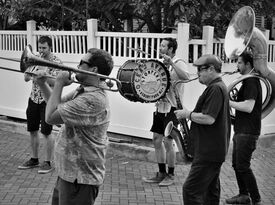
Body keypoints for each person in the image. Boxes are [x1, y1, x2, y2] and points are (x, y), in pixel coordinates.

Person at [34, 48, 113, 205]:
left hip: (80, 178)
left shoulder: (93, 99)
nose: (76, 66)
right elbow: (57, 106)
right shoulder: (83, 90)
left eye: (81, 63)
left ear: (93, 69)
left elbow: (50, 118)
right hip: (69, 173)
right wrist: (42, 83)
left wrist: (59, 83)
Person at [174, 54, 231, 205]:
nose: (197, 73)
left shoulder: (215, 88)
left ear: (211, 69)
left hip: (209, 152)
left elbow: (209, 118)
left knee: (190, 190)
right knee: (210, 192)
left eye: (200, 69)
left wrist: (188, 114)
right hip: (211, 150)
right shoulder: (216, 87)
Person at [142, 38, 190, 186]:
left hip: (173, 108)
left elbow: (186, 77)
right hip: (160, 107)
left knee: (168, 142)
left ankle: (171, 175)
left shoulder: (179, 61)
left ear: (170, 49)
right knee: (156, 139)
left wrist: (172, 63)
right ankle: (161, 173)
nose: (160, 47)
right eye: (160, 45)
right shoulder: (161, 63)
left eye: (163, 46)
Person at [18, 36, 62, 174]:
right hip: (33, 99)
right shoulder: (35, 58)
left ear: (50, 47)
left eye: (44, 48)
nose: (41, 50)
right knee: (32, 130)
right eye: (40, 47)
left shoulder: (56, 62)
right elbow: (25, 77)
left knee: (46, 132)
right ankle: (34, 159)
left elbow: (56, 82)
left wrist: (42, 77)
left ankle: (48, 162)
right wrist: (35, 75)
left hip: (46, 100)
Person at [226, 51, 262, 205]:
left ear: (248, 64)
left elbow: (248, 106)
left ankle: (256, 199)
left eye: (240, 62)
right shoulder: (247, 81)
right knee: (237, 165)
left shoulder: (251, 81)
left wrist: (229, 103)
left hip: (248, 131)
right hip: (242, 129)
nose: (237, 65)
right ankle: (243, 195)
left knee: (243, 166)